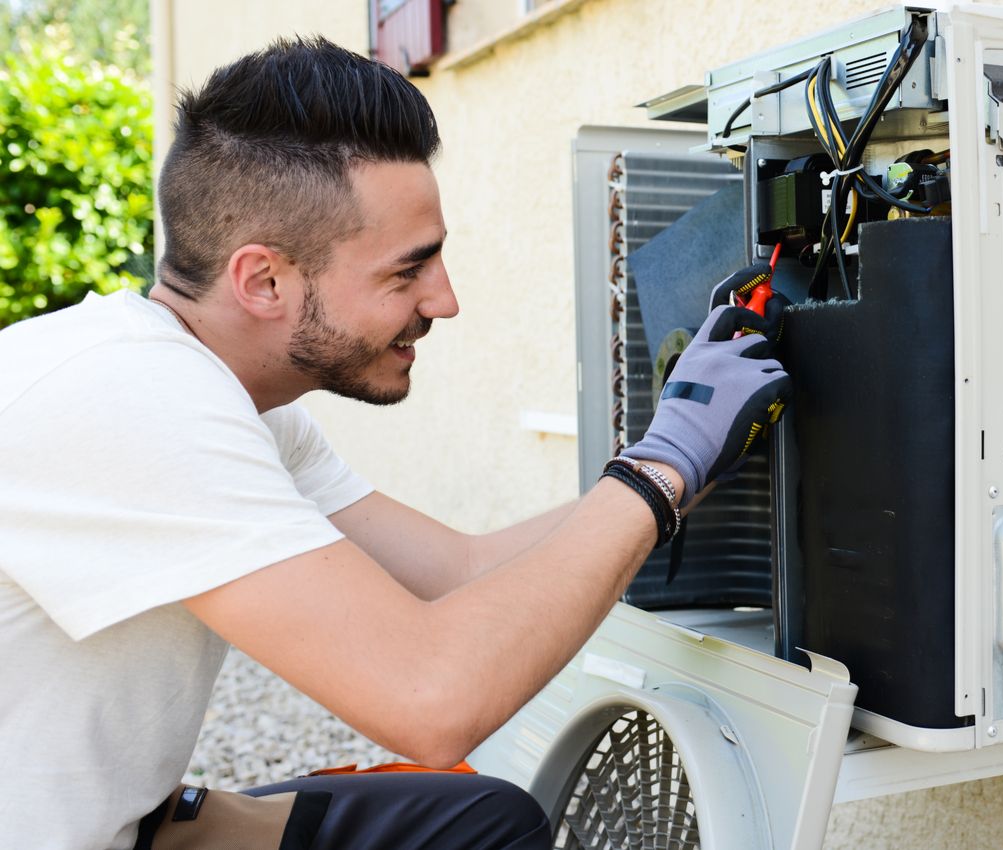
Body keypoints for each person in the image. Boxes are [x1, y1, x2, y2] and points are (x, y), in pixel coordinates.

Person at [0, 36, 789, 850]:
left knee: (484, 819)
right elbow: (431, 700)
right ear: (264, 281)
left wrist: (692, 451)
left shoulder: (236, 404)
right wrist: (659, 471)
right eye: (407, 271)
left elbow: (460, 574)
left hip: (138, 822)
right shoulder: (132, 401)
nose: (444, 301)